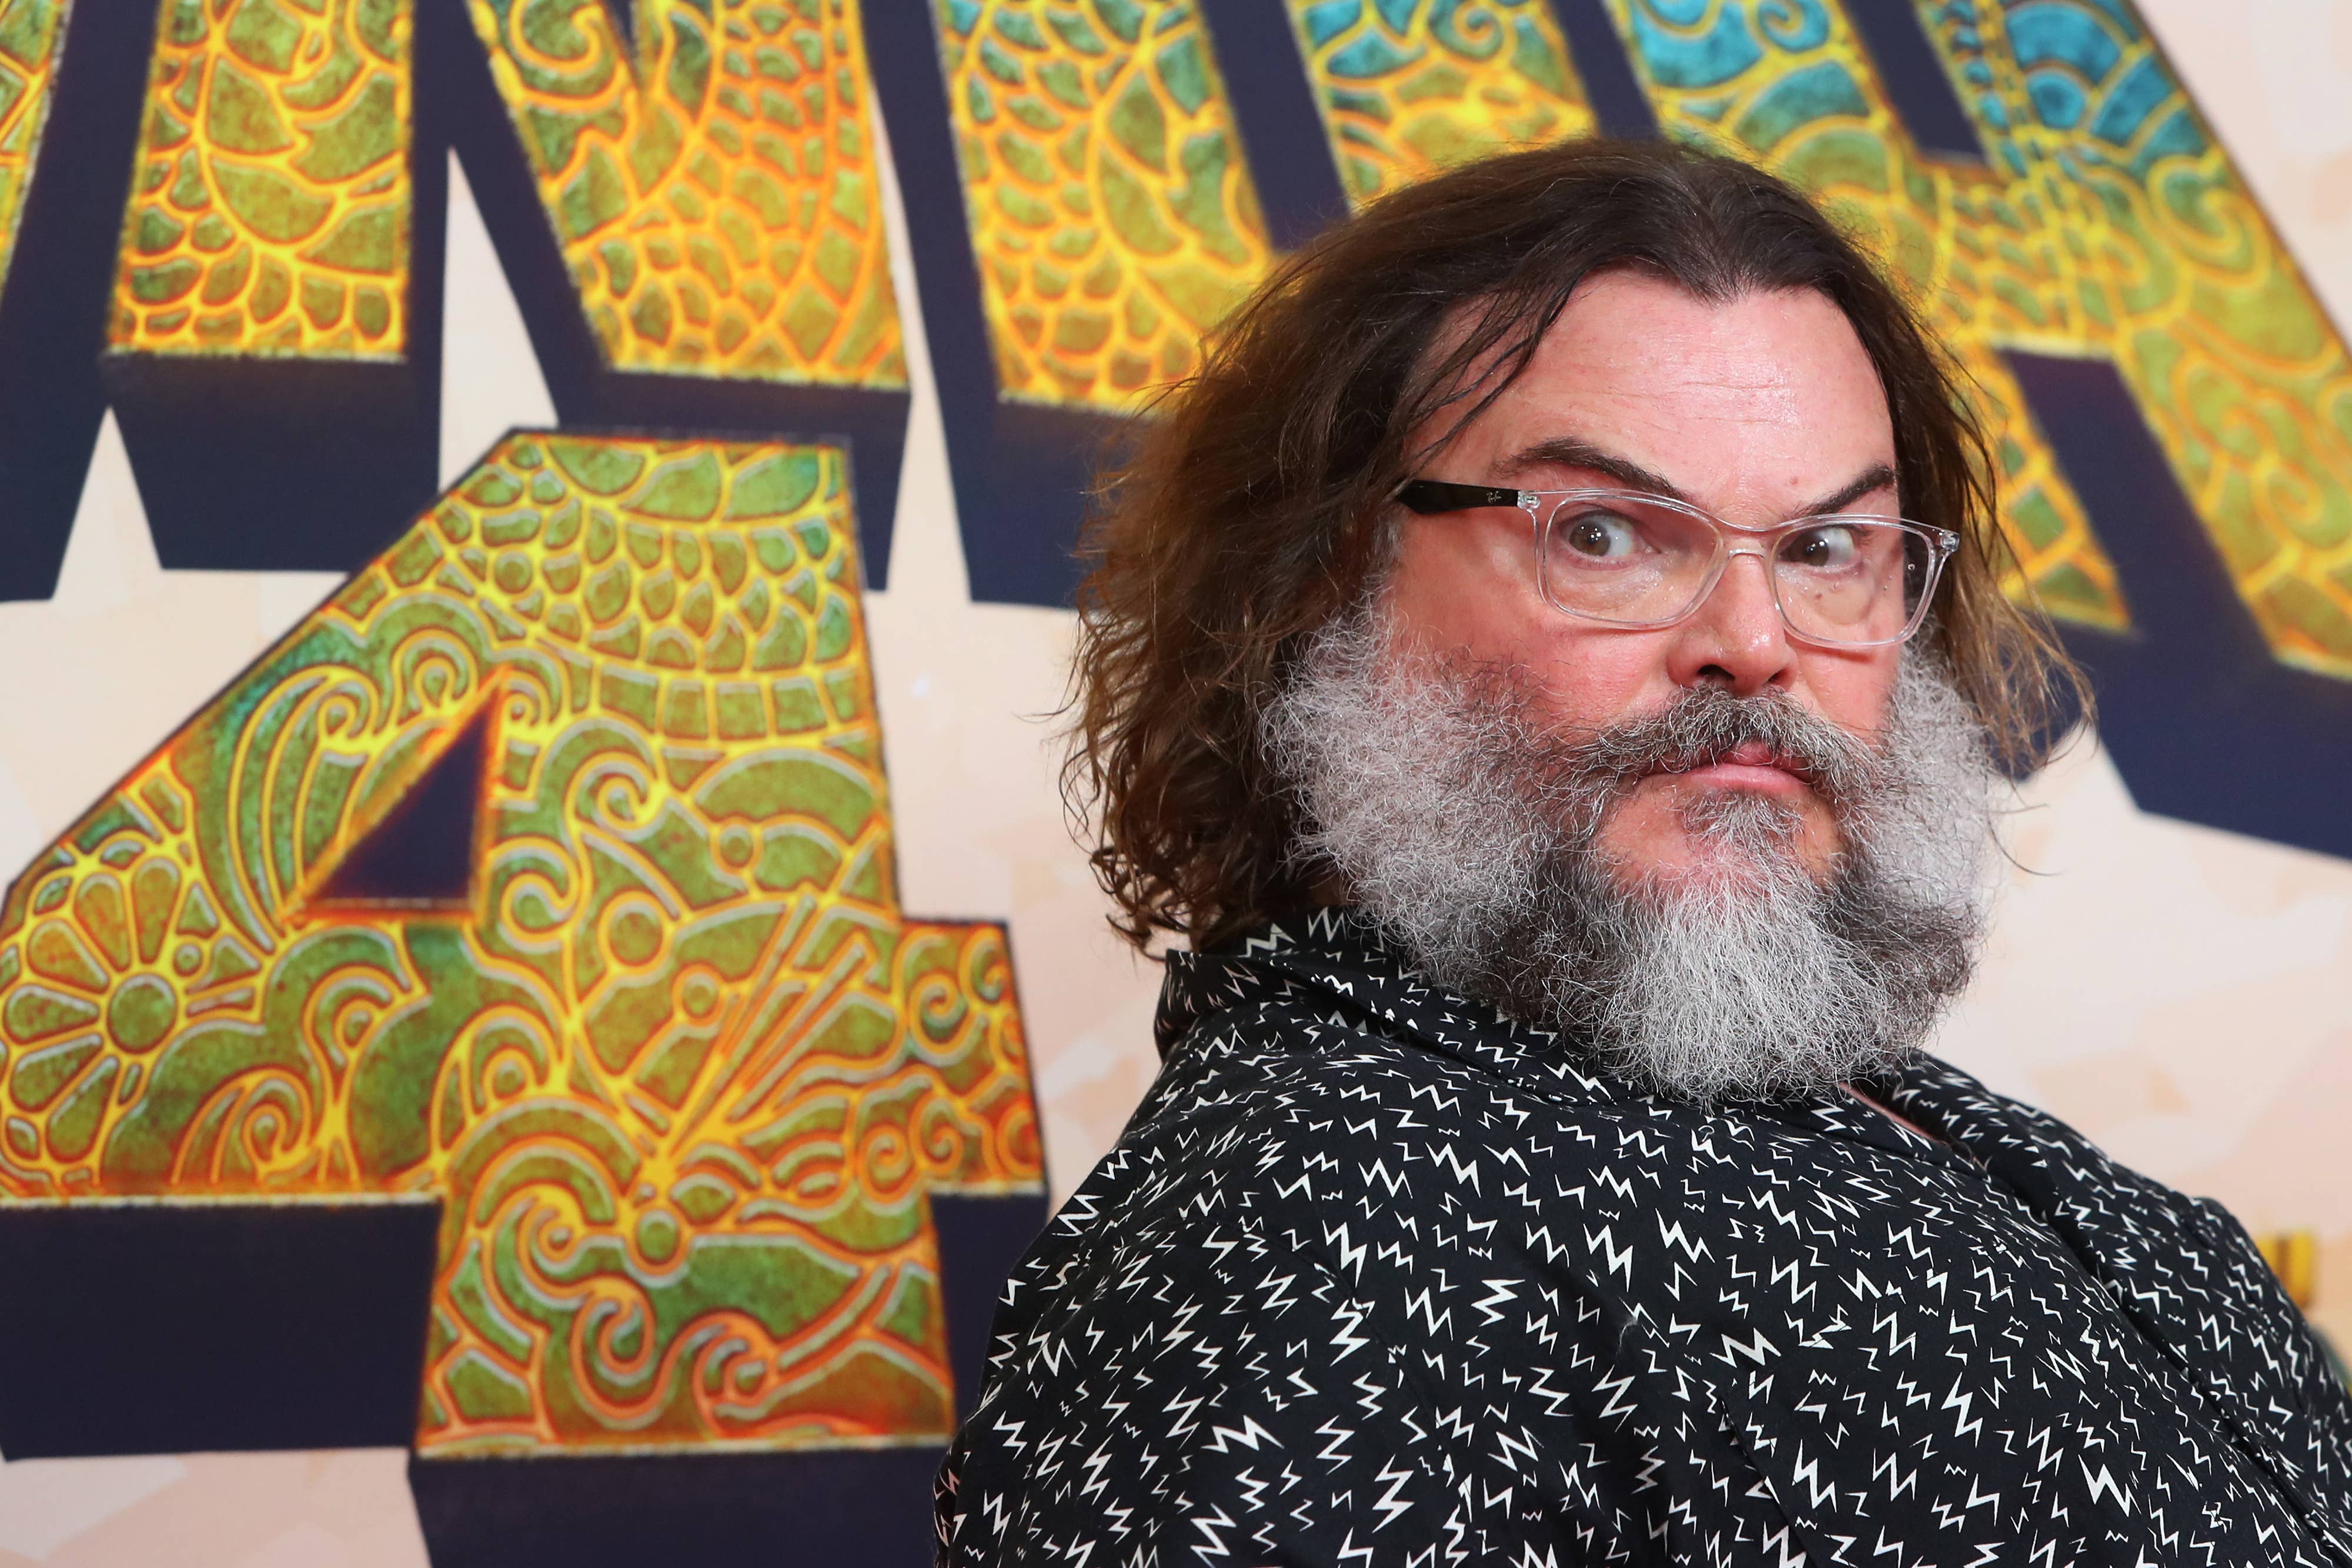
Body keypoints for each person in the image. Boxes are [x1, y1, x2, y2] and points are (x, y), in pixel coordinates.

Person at [934, 139, 2352, 1563]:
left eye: (1824, 548)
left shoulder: (1901, 1117)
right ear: (1323, 579)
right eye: (1605, 532)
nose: (1751, 641)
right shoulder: (1338, 1199)